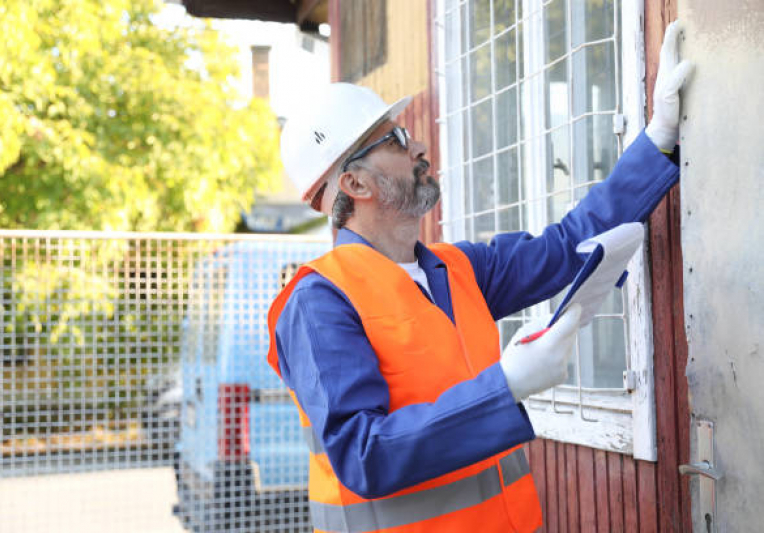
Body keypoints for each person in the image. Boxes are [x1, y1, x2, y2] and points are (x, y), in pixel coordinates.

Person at [267, 21, 693, 533]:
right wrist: (505, 385)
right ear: (355, 182)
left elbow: (567, 245)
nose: (419, 146)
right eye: (397, 139)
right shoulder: (318, 303)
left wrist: (658, 139)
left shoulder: (456, 269)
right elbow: (364, 455)